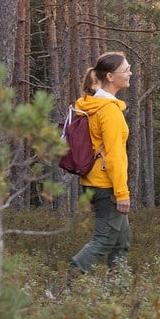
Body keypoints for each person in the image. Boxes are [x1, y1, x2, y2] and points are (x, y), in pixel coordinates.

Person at [69, 52, 133, 275]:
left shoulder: (93, 104)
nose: (129, 73)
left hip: (94, 182)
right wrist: (122, 192)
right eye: (125, 70)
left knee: (121, 241)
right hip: (106, 185)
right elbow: (114, 155)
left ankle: (119, 289)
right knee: (105, 240)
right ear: (110, 76)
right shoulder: (109, 111)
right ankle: (72, 280)